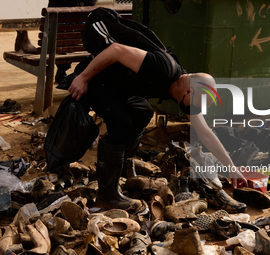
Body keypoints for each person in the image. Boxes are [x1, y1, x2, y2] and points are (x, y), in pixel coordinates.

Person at [68, 19, 248, 213]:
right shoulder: (163, 67)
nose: (195, 110)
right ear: (188, 91)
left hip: (120, 87)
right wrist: (83, 78)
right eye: (197, 105)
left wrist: (231, 167)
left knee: (143, 111)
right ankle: (106, 194)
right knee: (121, 122)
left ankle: (124, 167)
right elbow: (116, 50)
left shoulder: (185, 91)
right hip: (98, 80)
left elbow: (204, 132)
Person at [48, 0, 97, 83]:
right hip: (79, 33)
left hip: (62, 32)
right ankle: (66, 71)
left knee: (62, 34)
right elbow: (90, 5)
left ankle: (62, 71)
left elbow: (53, 7)